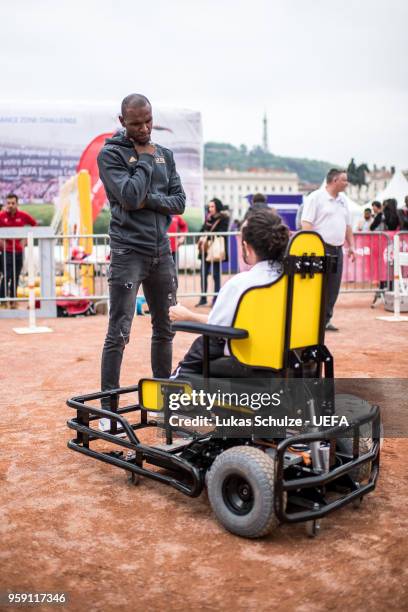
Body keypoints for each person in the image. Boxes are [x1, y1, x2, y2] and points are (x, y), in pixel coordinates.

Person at [97, 93, 185, 406]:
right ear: (122, 122)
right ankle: (109, 409)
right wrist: (145, 160)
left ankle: (162, 402)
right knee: (119, 331)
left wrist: (150, 201)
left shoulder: (166, 154)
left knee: (165, 327)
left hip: (161, 250)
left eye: (148, 120)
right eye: (136, 124)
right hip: (127, 251)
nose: (145, 128)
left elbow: (180, 202)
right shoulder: (110, 155)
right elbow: (130, 196)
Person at [170, 209, 289, 376]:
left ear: (246, 247)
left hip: (247, 362)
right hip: (289, 359)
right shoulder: (294, 282)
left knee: (204, 346)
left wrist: (188, 316)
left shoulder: (241, 284)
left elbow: (217, 327)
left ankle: (172, 389)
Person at [301, 168, 355, 332]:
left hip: (337, 248)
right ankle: (310, 320)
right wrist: (312, 248)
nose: (347, 183)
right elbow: (306, 224)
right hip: (320, 248)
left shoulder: (343, 200)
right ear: (334, 181)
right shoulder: (315, 198)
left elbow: (347, 225)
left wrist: (351, 245)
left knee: (333, 287)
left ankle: (325, 320)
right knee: (315, 286)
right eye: (344, 180)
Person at [0, 193, 37, 308]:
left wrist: (26, 241)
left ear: (17, 204)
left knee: (16, 276)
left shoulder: (23, 215)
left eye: (13, 203)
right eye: (8, 203)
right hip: (6, 252)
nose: (10, 205)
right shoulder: (1, 216)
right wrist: (1, 241)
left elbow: (34, 224)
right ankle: (2, 300)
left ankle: (13, 301)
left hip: (19, 251)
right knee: (6, 275)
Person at [196, 198, 229, 307]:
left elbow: (223, 232)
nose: (210, 209)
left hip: (215, 249)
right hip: (206, 249)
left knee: (216, 275)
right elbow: (201, 230)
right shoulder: (208, 218)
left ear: (217, 207)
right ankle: (203, 298)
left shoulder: (224, 218)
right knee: (203, 273)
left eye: (212, 206)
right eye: (209, 206)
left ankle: (216, 299)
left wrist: (210, 233)